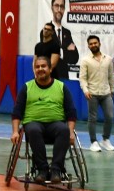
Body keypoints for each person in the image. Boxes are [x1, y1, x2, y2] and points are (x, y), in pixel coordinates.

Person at [11, 55, 78, 183]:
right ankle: (42, 170)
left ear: (50, 69)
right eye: (37, 67)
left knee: (63, 130)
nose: (40, 69)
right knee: (34, 130)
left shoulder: (61, 87)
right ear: (34, 70)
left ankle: (56, 170)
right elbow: (17, 112)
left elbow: (71, 112)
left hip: (55, 125)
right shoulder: (27, 87)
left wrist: (70, 132)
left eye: (43, 66)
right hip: (34, 124)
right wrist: (15, 131)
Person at [78, 35, 114, 152]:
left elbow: (111, 76)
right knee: (92, 118)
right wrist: (85, 90)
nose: (93, 45)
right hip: (92, 93)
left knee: (110, 116)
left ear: (99, 43)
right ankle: (93, 142)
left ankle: (105, 140)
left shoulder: (108, 59)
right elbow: (82, 78)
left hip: (106, 93)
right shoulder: (85, 60)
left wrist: (112, 89)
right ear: (88, 46)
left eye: (95, 43)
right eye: (91, 44)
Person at [49, 0, 80, 79]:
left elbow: (75, 58)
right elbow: (48, 54)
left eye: (62, 6)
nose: (59, 9)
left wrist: (58, 52)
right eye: (56, 6)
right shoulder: (46, 30)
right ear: (52, 7)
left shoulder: (67, 33)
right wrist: (64, 51)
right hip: (50, 79)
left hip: (64, 79)